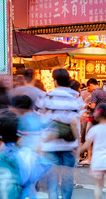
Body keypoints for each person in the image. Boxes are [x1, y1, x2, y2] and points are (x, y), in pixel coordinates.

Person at [39, 68, 83, 199]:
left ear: (55, 80)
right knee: (67, 177)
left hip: (50, 144)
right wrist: (77, 143)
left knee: (52, 177)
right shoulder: (73, 98)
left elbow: (41, 119)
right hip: (68, 145)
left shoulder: (47, 96)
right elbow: (74, 123)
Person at [79, 104, 106, 199]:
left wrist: (77, 153)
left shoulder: (94, 129)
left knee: (98, 186)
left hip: (98, 161)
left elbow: (86, 146)